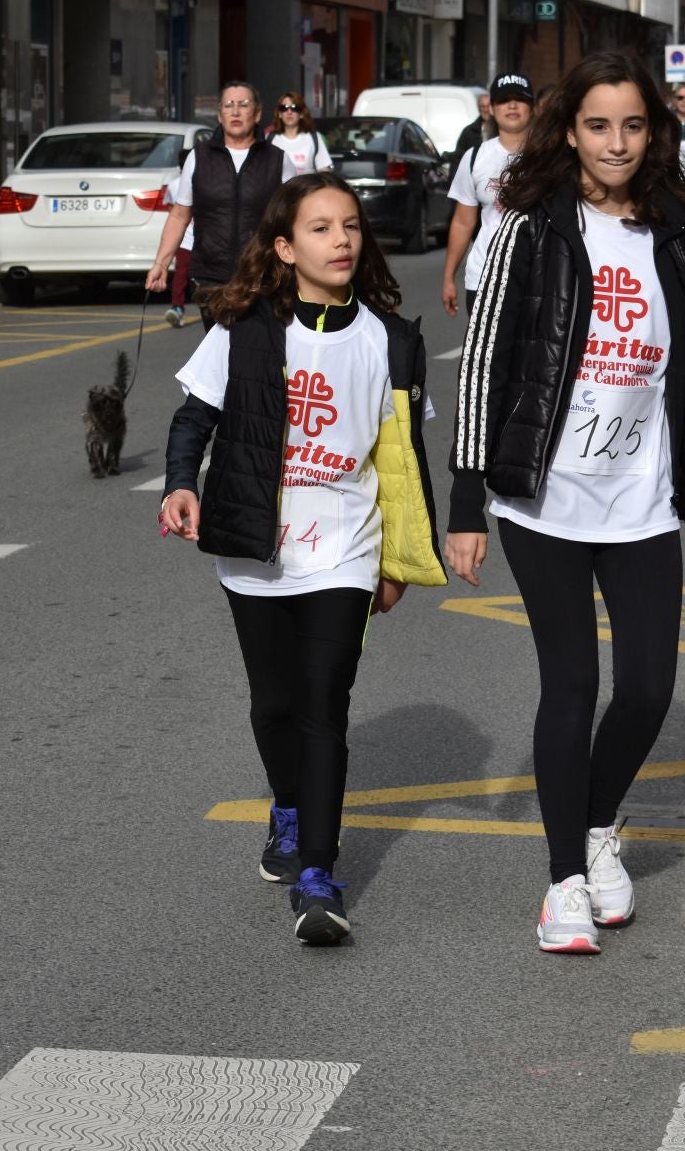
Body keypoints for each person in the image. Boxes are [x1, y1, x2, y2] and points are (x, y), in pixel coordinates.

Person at [448, 50, 685, 955]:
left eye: (634, 125)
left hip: (642, 495)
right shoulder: (530, 226)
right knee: (570, 684)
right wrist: (465, 501)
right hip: (545, 496)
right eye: (598, 125)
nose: (617, 143)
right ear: (568, 130)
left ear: (655, 132)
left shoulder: (678, 229)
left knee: (649, 687)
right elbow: (486, 363)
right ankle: (564, 881)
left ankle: (598, 819)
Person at [160, 171, 447, 945]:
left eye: (350, 225)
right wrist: (180, 485)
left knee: (324, 702)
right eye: (320, 229)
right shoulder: (245, 326)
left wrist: (397, 557)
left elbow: (401, 459)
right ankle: (286, 808)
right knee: (275, 702)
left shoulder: (391, 340)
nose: (342, 240)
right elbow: (195, 417)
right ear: (285, 248)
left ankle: (319, 876)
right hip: (258, 544)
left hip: (346, 549)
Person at [145, 82, 295, 328]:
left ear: (257, 113)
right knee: (219, 357)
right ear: (219, 114)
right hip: (211, 277)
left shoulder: (278, 160)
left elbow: (294, 219)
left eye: (243, 105)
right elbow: (180, 216)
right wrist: (161, 263)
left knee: (255, 355)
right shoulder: (199, 157)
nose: (235, 112)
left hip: (262, 276)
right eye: (228, 105)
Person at [442, 72, 534, 314]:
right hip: (484, 276)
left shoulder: (549, 158)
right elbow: (463, 222)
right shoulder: (474, 158)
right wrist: (449, 277)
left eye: (520, 99)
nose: (512, 105)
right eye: (504, 100)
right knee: (487, 352)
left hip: (536, 278)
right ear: (491, 108)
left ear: (532, 107)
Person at [270, 91, 333, 175]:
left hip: (307, 187)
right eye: (284, 108)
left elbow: (324, 170)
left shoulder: (313, 138)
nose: (289, 112)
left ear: (301, 114)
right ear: (279, 114)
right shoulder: (270, 139)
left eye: (294, 108)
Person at [453, 90, 495, 170]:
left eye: (488, 106)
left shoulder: (501, 130)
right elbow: (457, 159)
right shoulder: (468, 132)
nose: (486, 110)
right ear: (479, 108)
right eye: (483, 106)